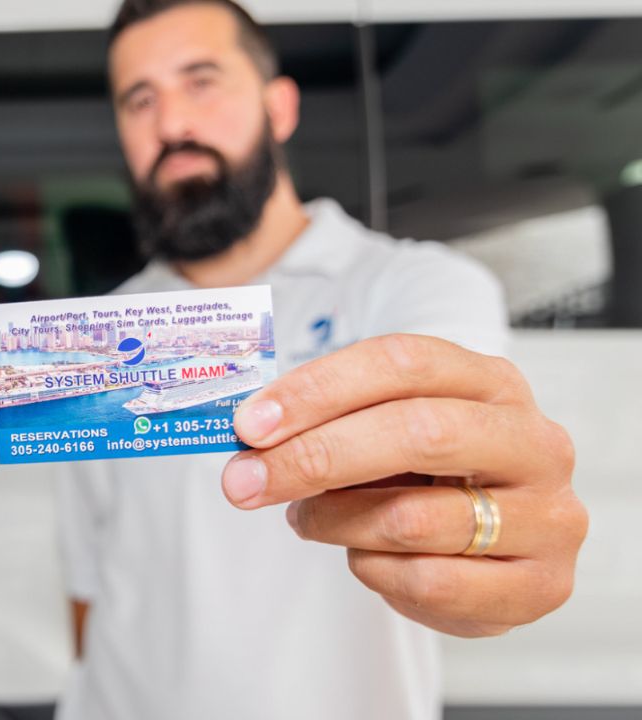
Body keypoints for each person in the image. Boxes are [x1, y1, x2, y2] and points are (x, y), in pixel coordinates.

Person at [54, 1, 589, 718]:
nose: (172, 124)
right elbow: (88, 575)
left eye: (201, 81)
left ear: (279, 107)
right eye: (139, 99)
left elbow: (468, 477)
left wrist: (494, 553)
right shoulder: (93, 337)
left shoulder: (415, 288)